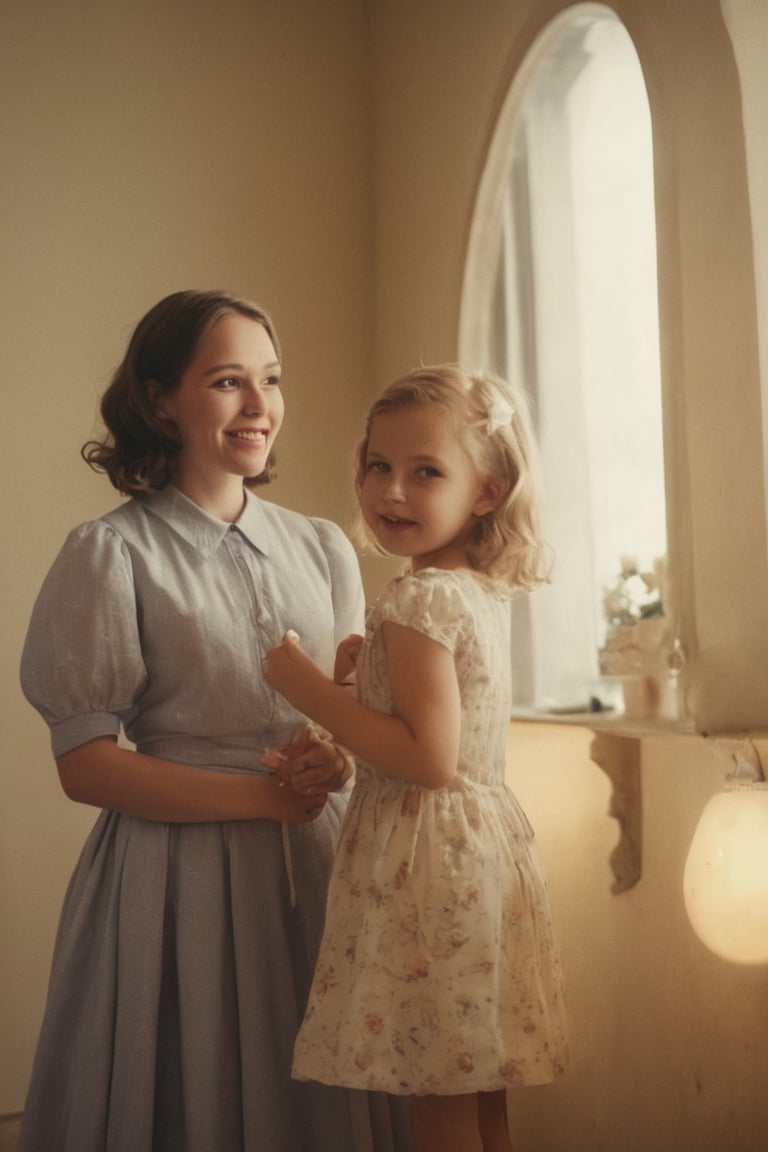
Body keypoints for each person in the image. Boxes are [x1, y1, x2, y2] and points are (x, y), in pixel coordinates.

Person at [18, 290, 413, 1152]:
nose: (259, 405)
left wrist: (334, 763)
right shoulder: (111, 553)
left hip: (320, 871)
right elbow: (85, 767)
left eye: (269, 380)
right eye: (228, 381)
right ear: (160, 399)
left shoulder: (324, 547)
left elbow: (349, 719)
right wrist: (264, 798)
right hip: (175, 884)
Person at [263, 364, 569, 1152]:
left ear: (487, 490)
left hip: (427, 862)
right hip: (482, 846)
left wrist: (305, 687)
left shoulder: (420, 597)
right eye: (378, 466)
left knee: (435, 1091)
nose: (391, 491)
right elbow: (439, 727)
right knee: (478, 1081)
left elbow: (425, 758)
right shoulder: (471, 589)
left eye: (425, 472)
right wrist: (361, 680)